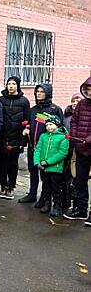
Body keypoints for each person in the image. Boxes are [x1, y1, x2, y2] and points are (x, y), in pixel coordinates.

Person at [19, 84, 63, 206]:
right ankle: (32, 194)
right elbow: (29, 124)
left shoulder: (55, 109)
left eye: (42, 91)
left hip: (47, 149)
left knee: (45, 175)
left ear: (48, 93)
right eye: (37, 91)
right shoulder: (33, 110)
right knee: (32, 171)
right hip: (33, 147)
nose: (39, 94)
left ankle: (44, 197)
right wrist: (26, 131)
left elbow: (60, 128)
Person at [0, 76, 30, 200]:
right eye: (9, 84)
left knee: (13, 163)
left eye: (13, 84)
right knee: (2, 163)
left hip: (17, 137)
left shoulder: (24, 101)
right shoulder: (1, 100)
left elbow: (27, 122)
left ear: (18, 86)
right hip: (3, 136)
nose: (11, 86)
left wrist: (23, 140)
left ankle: (11, 186)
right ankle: (3, 185)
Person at [64, 76, 91, 226]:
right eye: (87, 89)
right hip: (81, 149)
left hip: (89, 146)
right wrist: (74, 135)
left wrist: (88, 139)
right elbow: (74, 121)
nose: (89, 92)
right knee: (80, 181)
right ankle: (81, 209)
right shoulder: (81, 104)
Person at [33, 115, 69, 216]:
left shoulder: (63, 137)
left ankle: (57, 206)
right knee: (46, 186)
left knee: (56, 188)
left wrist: (48, 162)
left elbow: (62, 153)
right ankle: (47, 203)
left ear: (57, 125)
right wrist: (37, 162)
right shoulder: (43, 136)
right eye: (47, 125)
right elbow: (38, 149)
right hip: (43, 167)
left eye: (51, 124)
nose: (48, 127)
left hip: (55, 167)